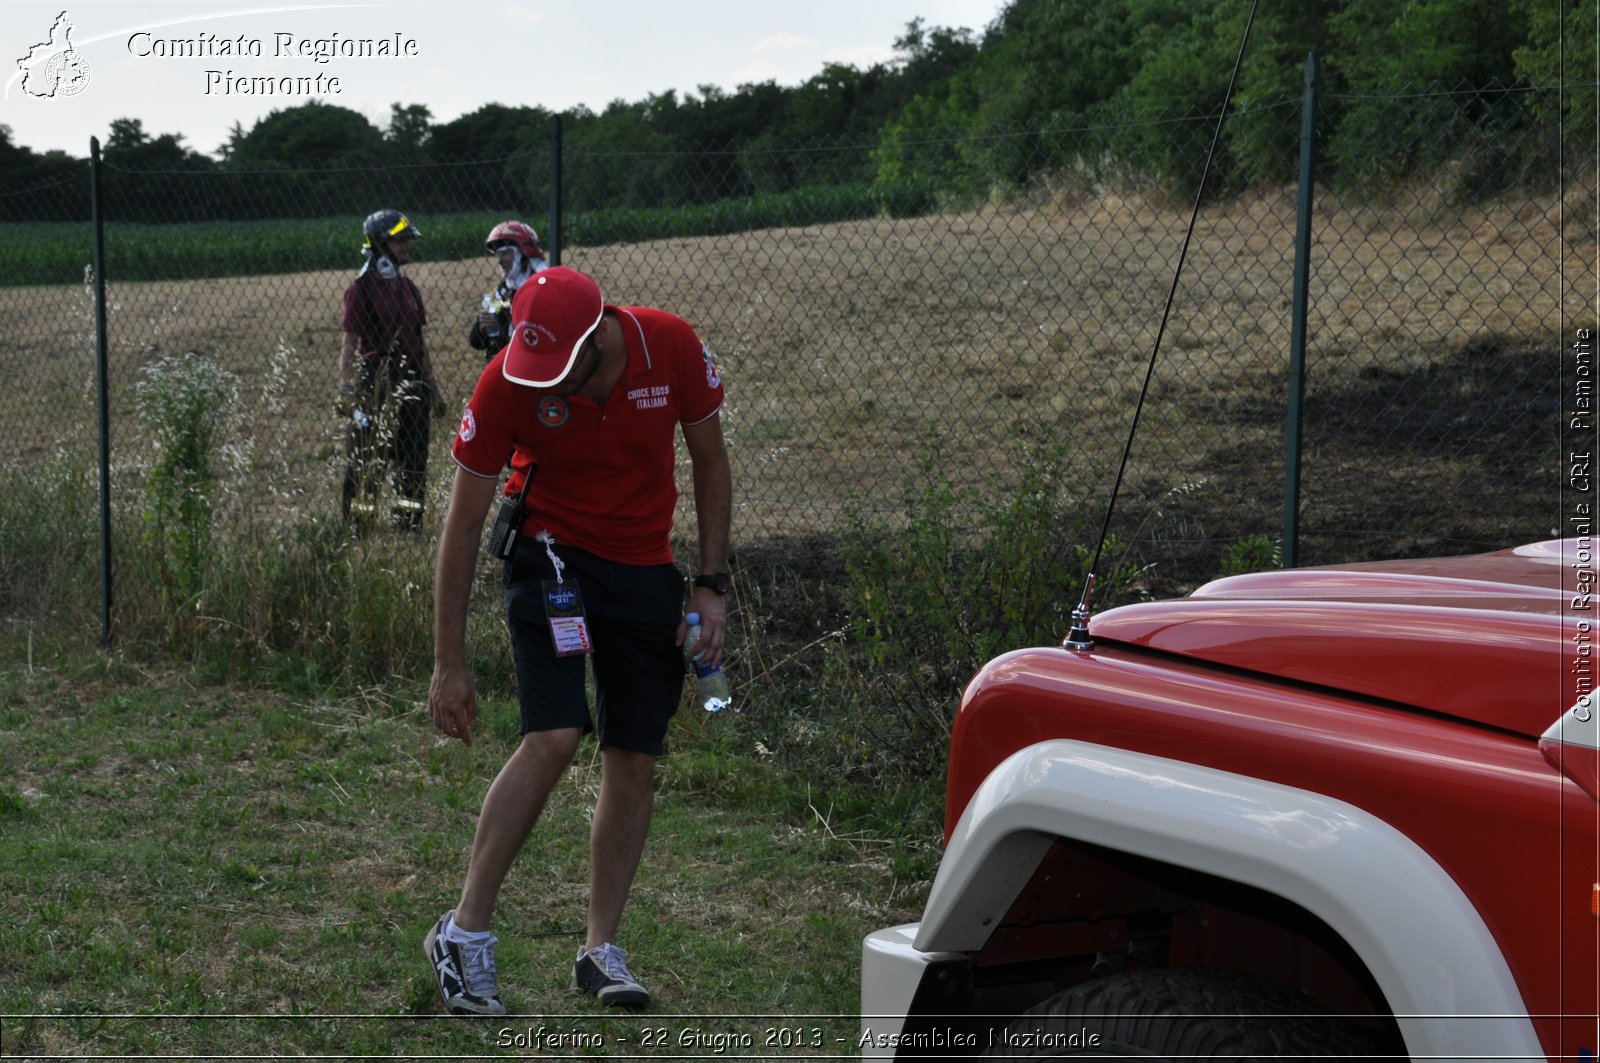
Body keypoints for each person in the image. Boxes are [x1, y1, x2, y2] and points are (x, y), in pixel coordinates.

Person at [424, 265, 733, 1016]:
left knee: (634, 751)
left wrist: (711, 585)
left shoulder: (672, 347)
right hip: (550, 558)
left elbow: (711, 461)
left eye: (557, 370)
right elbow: (462, 526)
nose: (542, 385)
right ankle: (463, 935)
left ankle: (601, 951)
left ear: (598, 335)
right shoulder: (506, 384)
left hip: (642, 568)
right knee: (556, 732)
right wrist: (449, 663)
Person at [338, 208, 446, 528]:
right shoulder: (361, 290)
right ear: (380, 245)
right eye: (400, 241)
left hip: (413, 382)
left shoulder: (409, 289)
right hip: (374, 382)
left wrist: (434, 388)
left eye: (407, 240)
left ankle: (408, 525)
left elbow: (419, 342)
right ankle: (360, 528)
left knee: (413, 459)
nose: (406, 246)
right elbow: (348, 344)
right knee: (367, 457)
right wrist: (346, 390)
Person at [468, 220, 548, 362]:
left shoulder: (541, 289)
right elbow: (475, 342)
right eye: (497, 255)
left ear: (524, 253)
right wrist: (482, 328)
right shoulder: (501, 291)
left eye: (505, 253)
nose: (500, 260)